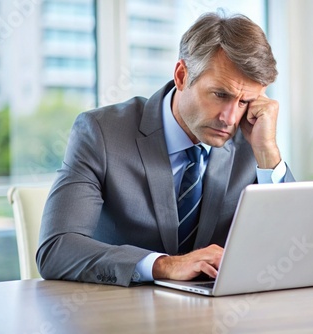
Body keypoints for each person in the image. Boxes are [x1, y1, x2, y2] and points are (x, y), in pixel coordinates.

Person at [36, 11, 295, 287]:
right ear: (182, 75)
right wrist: (163, 265)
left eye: (245, 102)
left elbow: (296, 248)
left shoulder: (251, 140)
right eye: (221, 95)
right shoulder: (102, 133)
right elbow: (56, 248)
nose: (230, 118)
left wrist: (268, 153)